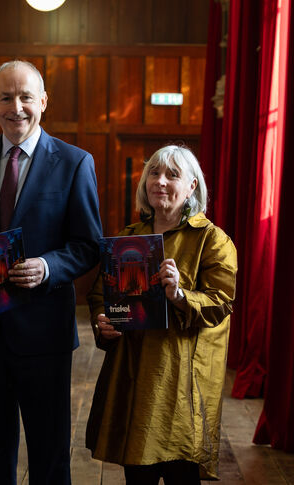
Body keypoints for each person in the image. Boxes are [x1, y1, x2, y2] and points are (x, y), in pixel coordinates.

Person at [0, 60, 103, 484]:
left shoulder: (74, 162)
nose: (16, 107)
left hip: (44, 334)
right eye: (6, 98)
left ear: (43, 102)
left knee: (50, 456)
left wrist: (49, 266)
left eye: (26, 97)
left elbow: (89, 245)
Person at [85, 145, 238, 483]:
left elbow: (221, 302)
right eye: (153, 173)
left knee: (180, 471)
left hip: (178, 378)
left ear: (192, 186)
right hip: (131, 371)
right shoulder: (128, 237)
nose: (160, 181)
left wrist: (180, 295)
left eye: (172, 174)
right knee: (137, 473)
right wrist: (102, 322)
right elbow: (98, 295)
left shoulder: (211, 239)